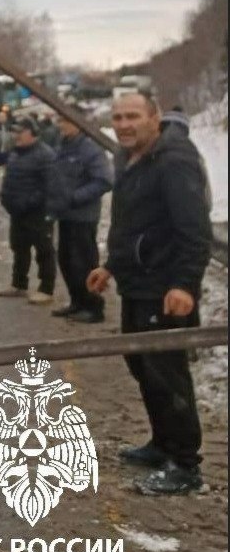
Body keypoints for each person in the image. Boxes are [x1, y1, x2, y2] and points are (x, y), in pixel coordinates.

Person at [87, 93, 211, 496]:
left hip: (165, 286)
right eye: (118, 117)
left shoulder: (174, 161)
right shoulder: (130, 159)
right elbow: (129, 225)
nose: (124, 124)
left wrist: (184, 284)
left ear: (154, 118)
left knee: (166, 371)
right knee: (141, 364)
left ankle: (185, 464)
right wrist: (111, 266)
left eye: (133, 116)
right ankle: (162, 443)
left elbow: (193, 229)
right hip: (137, 283)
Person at [47, 110, 112, 323]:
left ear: (78, 123)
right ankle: (77, 302)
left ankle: (93, 308)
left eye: (65, 121)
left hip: (83, 216)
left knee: (84, 262)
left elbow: (103, 180)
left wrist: (75, 198)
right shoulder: (64, 146)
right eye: (60, 121)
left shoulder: (90, 149)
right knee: (66, 261)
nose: (60, 126)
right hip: (65, 214)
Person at [0, 118, 58, 305]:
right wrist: (5, 198)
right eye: (15, 131)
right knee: (19, 248)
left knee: (43, 251)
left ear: (32, 133)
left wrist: (29, 203)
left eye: (20, 132)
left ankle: (46, 289)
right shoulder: (16, 153)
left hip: (38, 213)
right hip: (17, 212)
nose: (16, 135)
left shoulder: (45, 155)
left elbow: (49, 186)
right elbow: (8, 179)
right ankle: (19, 284)